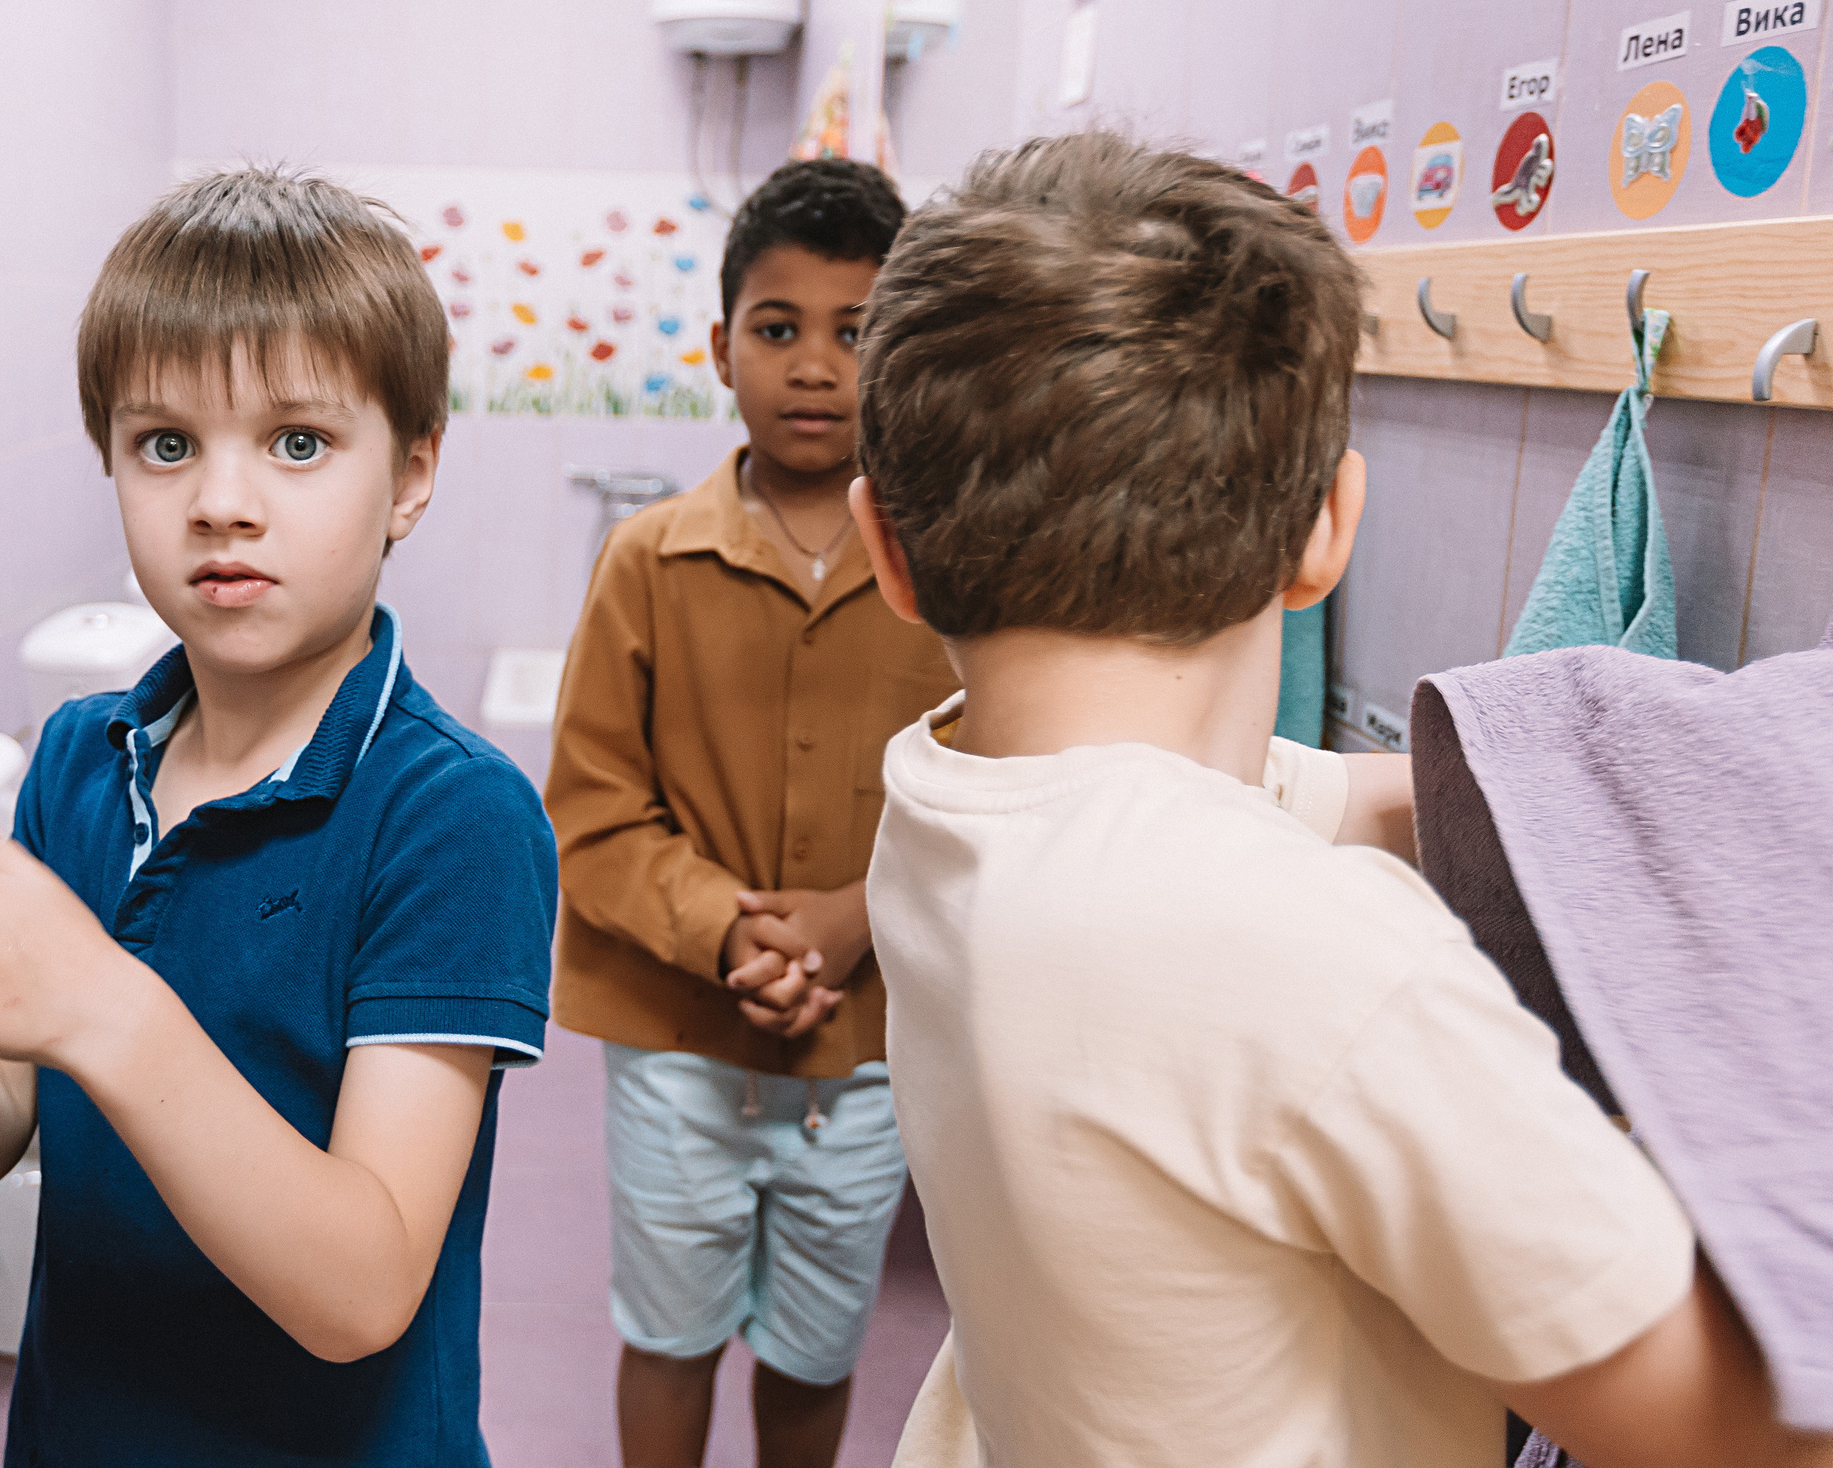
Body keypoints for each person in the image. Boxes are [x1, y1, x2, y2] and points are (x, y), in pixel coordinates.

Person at [851, 132, 1831, 1468]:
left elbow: (1372, 802)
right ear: (1328, 526)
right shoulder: (1319, 956)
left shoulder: (954, 796)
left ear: (887, 550)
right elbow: (1710, 1421)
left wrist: (1683, 764)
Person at [0, 169, 558, 1467]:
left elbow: (363, 1290)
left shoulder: (452, 816)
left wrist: (101, 1006)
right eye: (166, 444)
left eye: (298, 443)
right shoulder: (82, 758)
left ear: (411, 474)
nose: (221, 501)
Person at [546, 158, 959, 1468]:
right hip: (677, 1043)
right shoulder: (646, 561)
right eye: (778, 329)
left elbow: (993, 791)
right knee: (669, 1339)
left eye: (856, 331)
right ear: (721, 346)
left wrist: (855, 919)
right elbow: (592, 812)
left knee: (815, 1352)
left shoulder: (958, 574)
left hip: (872, 1049)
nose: (816, 366)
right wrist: (730, 930)